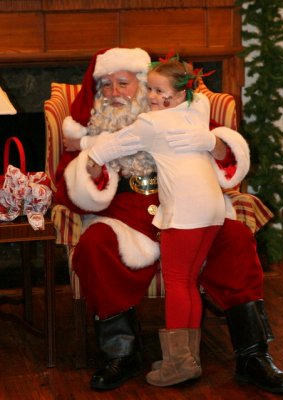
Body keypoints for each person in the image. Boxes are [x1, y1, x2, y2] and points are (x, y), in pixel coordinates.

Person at [55, 47, 283, 394]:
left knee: (236, 240)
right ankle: (121, 353)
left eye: (124, 83)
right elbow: (73, 183)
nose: (114, 93)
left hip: (189, 210)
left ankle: (253, 355)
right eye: (105, 86)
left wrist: (213, 142)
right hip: (125, 214)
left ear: (148, 86)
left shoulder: (179, 114)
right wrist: (89, 164)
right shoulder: (93, 127)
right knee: (95, 246)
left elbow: (226, 157)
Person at [84, 56, 229, 386]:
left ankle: (178, 364)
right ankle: (188, 357)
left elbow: (116, 143)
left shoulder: (151, 124)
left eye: (158, 90)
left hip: (185, 211)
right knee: (190, 282)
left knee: (177, 282)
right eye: (148, 87)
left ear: (179, 95)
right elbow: (202, 97)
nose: (150, 95)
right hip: (212, 209)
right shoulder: (198, 108)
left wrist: (92, 158)